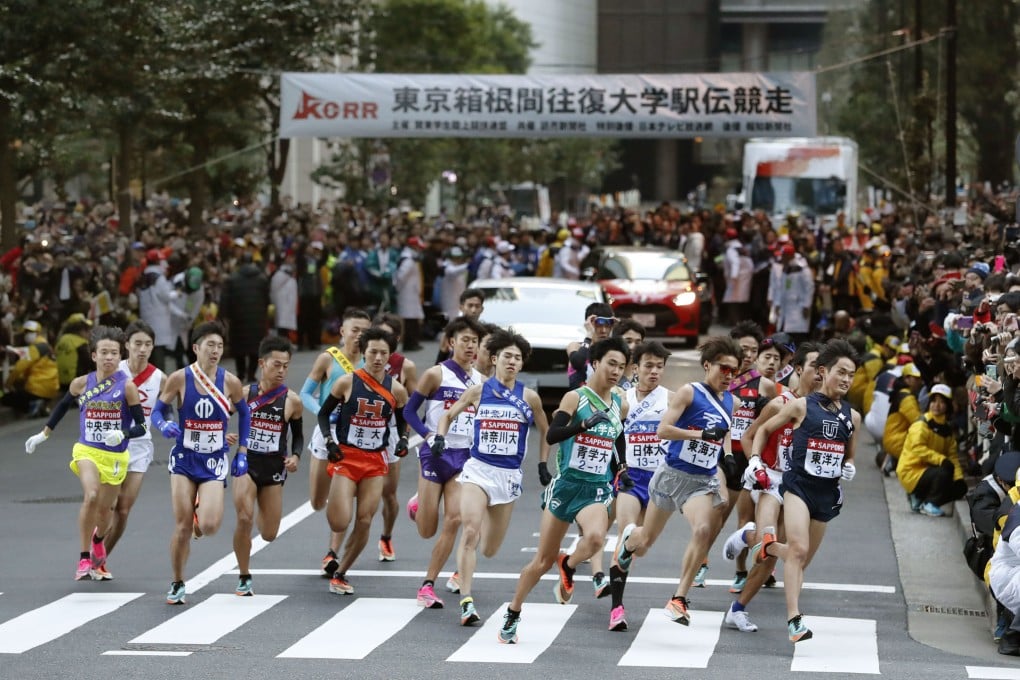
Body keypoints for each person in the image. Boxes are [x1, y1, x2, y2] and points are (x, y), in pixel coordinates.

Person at [499, 337, 631, 644]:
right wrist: (582, 426)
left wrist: (622, 467)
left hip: (595, 488)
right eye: (611, 364)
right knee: (542, 561)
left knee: (596, 539)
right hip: (566, 486)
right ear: (595, 363)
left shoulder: (620, 404)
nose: (616, 371)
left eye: (622, 367)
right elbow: (554, 434)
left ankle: (568, 564)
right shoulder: (575, 398)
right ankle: (514, 611)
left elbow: (618, 436)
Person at [612, 336, 740, 628]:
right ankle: (629, 540)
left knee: (704, 529)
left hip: (701, 480)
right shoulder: (689, 393)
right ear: (707, 365)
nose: (728, 375)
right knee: (646, 540)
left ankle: (678, 598)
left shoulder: (730, 400)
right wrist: (699, 435)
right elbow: (663, 430)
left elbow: (725, 429)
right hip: (671, 476)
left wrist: (729, 454)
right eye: (723, 368)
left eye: (734, 371)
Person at [743, 338, 861, 642]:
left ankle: (768, 545)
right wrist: (755, 459)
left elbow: (849, 455)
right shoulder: (800, 406)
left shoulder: (853, 417)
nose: (846, 379)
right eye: (841, 372)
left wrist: (849, 465)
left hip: (827, 493)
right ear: (823, 371)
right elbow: (763, 430)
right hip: (797, 488)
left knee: (800, 559)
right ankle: (794, 619)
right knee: (798, 550)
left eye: (851, 375)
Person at [436, 329, 549, 625]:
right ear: (495, 359)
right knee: (470, 532)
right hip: (478, 469)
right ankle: (466, 601)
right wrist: (440, 437)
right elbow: (448, 415)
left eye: (518, 358)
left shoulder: (529, 397)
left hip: (507, 477)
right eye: (507, 356)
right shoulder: (478, 391)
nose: (512, 362)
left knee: (489, 548)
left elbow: (547, 431)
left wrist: (542, 464)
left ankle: (479, 529)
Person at [23, 325, 146, 580]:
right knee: (91, 496)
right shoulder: (81, 383)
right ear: (94, 355)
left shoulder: (127, 387)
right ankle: (83, 557)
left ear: (120, 356)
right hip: (87, 450)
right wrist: (43, 434)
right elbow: (61, 408)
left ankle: (98, 540)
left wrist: (123, 434)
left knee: (106, 511)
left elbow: (142, 426)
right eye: (104, 352)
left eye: (114, 353)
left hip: (115, 456)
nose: (109, 357)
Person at [721, 342, 821, 632]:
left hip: (798, 486)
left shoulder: (824, 410)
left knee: (773, 555)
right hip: (770, 479)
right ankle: (750, 535)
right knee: (765, 544)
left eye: (824, 369)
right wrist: (755, 464)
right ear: (799, 368)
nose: (820, 373)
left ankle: (737, 609)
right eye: (815, 366)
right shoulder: (780, 403)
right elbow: (751, 435)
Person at [151, 321, 252, 605]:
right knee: (182, 526)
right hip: (184, 458)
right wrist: (164, 425)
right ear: (196, 348)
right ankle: (177, 581)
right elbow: (157, 411)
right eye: (210, 345)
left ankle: (199, 514)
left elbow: (245, 415)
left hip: (214, 460)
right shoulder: (179, 379)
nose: (215, 351)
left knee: (209, 525)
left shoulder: (230, 382)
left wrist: (242, 452)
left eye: (219, 346)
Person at [318, 327, 409, 594]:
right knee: (339, 521)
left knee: (366, 519)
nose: (378, 358)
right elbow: (323, 414)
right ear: (364, 352)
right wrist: (329, 441)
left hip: (375, 461)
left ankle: (341, 573)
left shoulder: (397, 390)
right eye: (372, 352)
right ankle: (338, 516)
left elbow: (403, 421)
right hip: (347, 458)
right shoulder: (347, 382)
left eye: (383, 353)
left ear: (390, 355)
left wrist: (403, 440)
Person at [403, 317, 486, 608]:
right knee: (427, 529)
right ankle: (419, 504)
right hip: (435, 453)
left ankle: (427, 585)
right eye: (465, 340)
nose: (470, 346)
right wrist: (428, 435)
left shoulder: (481, 381)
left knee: (454, 519)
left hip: (463, 457)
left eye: (474, 341)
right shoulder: (435, 374)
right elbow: (409, 412)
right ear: (452, 342)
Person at [299, 307, 372, 577]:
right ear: (342, 331)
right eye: (355, 330)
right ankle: (333, 499)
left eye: (365, 332)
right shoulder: (328, 358)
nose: (359, 335)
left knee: (346, 496)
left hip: (354, 437)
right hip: (325, 433)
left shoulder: (371, 363)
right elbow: (305, 393)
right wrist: (323, 411)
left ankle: (332, 553)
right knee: (318, 501)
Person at [606, 340, 672, 631]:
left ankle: (628, 547)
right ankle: (616, 608)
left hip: (659, 480)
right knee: (626, 533)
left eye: (659, 366)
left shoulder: (672, 399)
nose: (654, 371)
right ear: (635, 368)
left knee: (640, 546)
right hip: (630, 477)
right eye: (649, 366)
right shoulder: (622, 398)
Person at [93, 320, 166, 580]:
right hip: (112, 445)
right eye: (137, 344)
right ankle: (95, 546)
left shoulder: (160, 378)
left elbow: (167, 409)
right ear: (127, 345)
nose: (142, 349)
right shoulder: (115, 370)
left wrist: (167, 423)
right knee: (109, 506)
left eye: (147, 344)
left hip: (140, 445)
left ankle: (101, 560)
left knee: (123, 509)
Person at [232, 335, 304, 596]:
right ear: (262, 363)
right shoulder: (244, 394)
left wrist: (295, 456)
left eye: (286, 366)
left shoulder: (292, 401)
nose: (281, 371)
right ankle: (244, 575)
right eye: (276, 365)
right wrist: (225, 436)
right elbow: (218, 418)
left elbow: (298, 436)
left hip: (273, 467)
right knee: (244, 517)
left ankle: (261, 516)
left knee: (269, 534)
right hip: (246, 461)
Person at [372, 313, 419, 563]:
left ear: (396, 339)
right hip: (362, 430)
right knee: (357, 491)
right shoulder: (361, 362)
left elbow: (413, 404)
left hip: (390, 432)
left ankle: (386, 536)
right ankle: (335, 549)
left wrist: (404, 434)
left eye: (387, 336)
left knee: (388, 493)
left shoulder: (405, 366)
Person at [896, 383, 965, 516]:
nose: (936, 405)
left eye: (941, 402)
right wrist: (941, 460)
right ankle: (929, 503)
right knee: (944, 471)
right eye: (934, 401)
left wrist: (959, 478)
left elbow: (952, 456)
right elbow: (917, 448)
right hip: (911, 471)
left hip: (928, 469)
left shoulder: (947, 429)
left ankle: (920, 499)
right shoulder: (922, 424)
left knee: (960, 488)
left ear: (948, 405)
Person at [220, 254, 270, 383]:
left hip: (238, 319)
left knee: (239, 348)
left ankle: (241, 373)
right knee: (255, 348)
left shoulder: (232, 279)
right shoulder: (262, 279)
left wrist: (224, 316)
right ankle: (251, 374)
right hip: (257, 318)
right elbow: (267, 299)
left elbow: (225, 300)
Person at [4, 319, 60, 417]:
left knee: (6, 399)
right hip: (52, 388)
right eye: (25, 332)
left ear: (38, 333)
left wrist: (8, 384)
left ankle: (33, 404)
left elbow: (18, 368)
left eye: (29, 332)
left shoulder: (35, 348)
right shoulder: (47, 346)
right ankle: (41, 405)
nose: (27, 335)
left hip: (37, 389)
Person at [136, 249, 174, 371]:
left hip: (147, 319)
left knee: (150, 352)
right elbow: (166, 296)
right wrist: (176, 293)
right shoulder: (159, 278)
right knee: (158, 355)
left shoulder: (142, 277)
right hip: (159, 320)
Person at [566, 302, 616, 390]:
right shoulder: (575, 346)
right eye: (598, 325)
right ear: (589, 324)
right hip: (578, 397)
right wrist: (589, 334)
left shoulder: (613, 351)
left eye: (607, 326)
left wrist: (617, 331)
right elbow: (577, 363)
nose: (603, 330)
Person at [435, 288, 484, 364]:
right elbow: (440, 360)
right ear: (461, 307)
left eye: (477, 306)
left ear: (482, 309)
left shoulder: (485, 332)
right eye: (470, 306)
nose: (473, 310)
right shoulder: (451, 330)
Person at [395, 236, 426, 352]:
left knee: (413, 318)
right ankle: (409, 343)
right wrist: (399, 289)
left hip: (412, 293)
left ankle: (413, 342)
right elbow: (400, 277)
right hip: (407, 293)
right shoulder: (408, 260)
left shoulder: (412, 259)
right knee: (409, 319)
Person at [54, 313, 93, 392]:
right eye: (86, 329)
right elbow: (92, 363)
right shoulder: (80, 343)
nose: (89, 332)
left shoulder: (61, 339)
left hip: (59, 382)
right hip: (75, 385)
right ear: (78, 330)